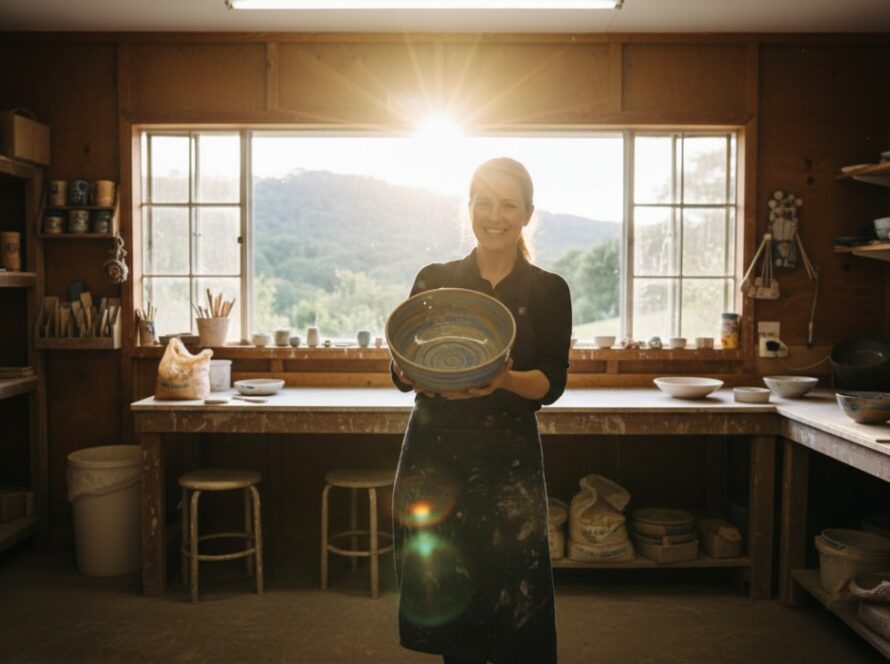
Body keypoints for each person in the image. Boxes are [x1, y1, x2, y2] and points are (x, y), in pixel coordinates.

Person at [390, 157, 572, 664]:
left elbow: (552, 381)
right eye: (484, 203)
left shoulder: (548, 289)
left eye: (508, 204)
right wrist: (410, 368)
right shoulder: (436, 279)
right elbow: (401, 372)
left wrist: (503, 379)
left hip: (507, 459)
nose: (495, 215)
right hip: (436, 453)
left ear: (527, 213)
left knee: (515, 599)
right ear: (468, 208)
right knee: (453, 597)